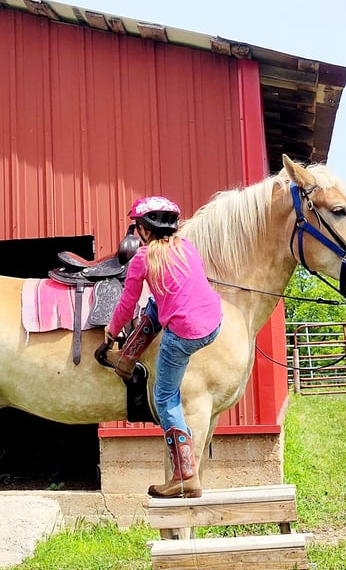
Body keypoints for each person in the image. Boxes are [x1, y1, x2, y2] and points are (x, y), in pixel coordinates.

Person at [104, 195, 223, 498]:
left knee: (165, 398)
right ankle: (128, 359)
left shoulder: (142, 260)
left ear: (144, 229)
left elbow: (127, 303)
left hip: (184, 334)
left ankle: (185, 476)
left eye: (136, 226)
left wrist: (112, 330)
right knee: (157, 302)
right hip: (213, 321)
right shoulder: (187, 248)